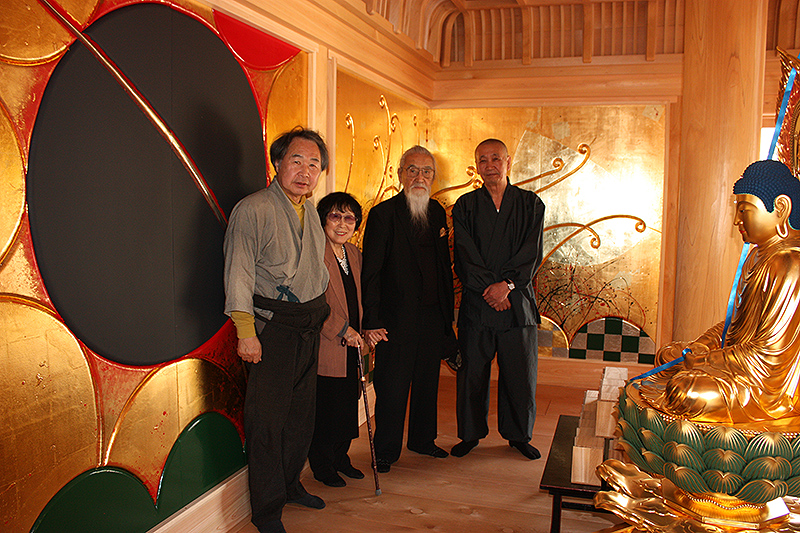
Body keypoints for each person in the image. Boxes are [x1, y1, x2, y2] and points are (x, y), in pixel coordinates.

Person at [223, 127, 331, 533]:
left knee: (301, 416)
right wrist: (245, 332)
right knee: (267, 421)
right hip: (273, 329)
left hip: (309, 325)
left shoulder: (310, 211)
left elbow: (315, 270)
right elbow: (238, 272)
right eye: (296, 161)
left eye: (314, 165)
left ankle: (290, 484)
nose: (305, 172)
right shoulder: (253, 209)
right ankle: (267, 511)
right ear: (278, 163)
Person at [650, 159, 800, 424]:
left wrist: (706, 361)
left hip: (769, 388)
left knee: (686, 392)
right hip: (738, 365)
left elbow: (768, 357)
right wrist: (703, 344)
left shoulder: (790, 264)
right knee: (667, 355)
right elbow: (734, 327)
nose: (736, 220)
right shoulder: (757, 257)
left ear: (780, 208)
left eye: (744, 210)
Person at [361, 145, 455, 473]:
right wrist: (371, 319)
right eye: (412, 170)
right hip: (395, 318)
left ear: (433, 177)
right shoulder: (383, 214)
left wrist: (447, 318)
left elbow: (443, 268)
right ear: (400, 174)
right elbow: (371, 272)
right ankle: (385, 450)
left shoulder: (438, 212)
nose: (419, 177)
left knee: (427, 382)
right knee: (392, 385)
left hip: (432, 316)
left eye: (426, 171)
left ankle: (422, 440)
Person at [450, 138, 545, 460]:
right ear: (476, 166)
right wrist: (490, 290)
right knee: (472, 374)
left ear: (508, 162)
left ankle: (519, 435)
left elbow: (532, 252)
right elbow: (464, 254)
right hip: (479, 304)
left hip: (517, 305)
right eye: (482, 160)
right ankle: (470, 434)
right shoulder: (465, 205)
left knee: (520, 375)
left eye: (495, 158)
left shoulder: (531, 204)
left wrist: (507, 285)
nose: (489, 165)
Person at [307, 192, 366, 487]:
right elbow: (312, 304)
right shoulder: (313, 253)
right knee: (327, 409)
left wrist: (366, 330)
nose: (342, 224)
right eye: (335, 216)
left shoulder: (353, 253)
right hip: (328, 343)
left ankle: (341, 457)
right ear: (323, 220)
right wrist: (342, 329)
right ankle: (322, 465)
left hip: (353, 346)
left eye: (349, 218)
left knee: (347, 405)